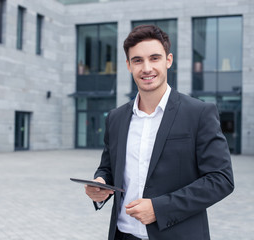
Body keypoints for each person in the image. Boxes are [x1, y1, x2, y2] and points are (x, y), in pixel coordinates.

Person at [85, 25, 234, 240]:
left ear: (168, 60)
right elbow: (108, 167)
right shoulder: (116, 118)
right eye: (137, 60)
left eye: (154, 58)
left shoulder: (199, 113)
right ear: (128, 65)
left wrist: (159, 208)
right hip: (123, 235)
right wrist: (99, 183)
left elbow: (221, 179)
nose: (146, 68)